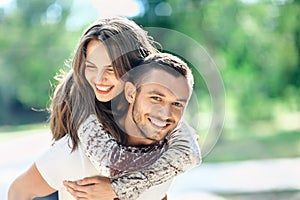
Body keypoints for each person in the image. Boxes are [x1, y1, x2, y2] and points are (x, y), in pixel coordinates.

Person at [8, 17, 200, 200]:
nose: (99, 80)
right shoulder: (83, 109)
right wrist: (118, 188)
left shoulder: (155, 109)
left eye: (111, 69)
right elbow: (108, 161)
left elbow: (188, 152)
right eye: (91, 66)